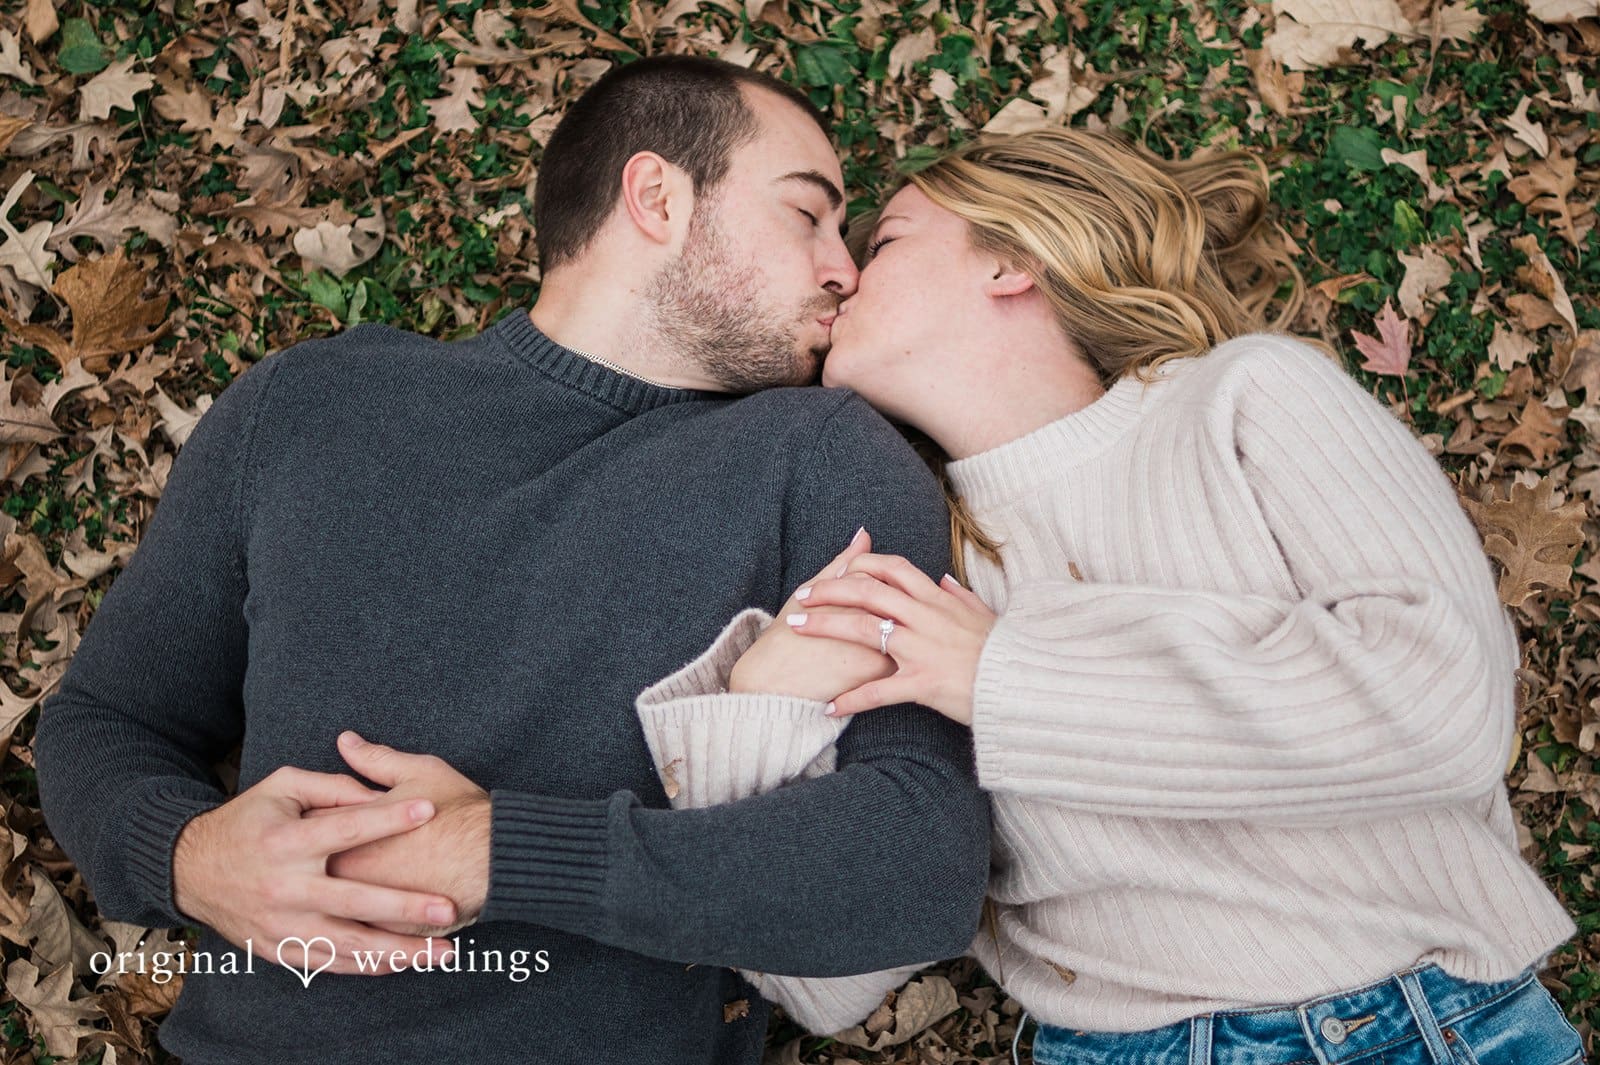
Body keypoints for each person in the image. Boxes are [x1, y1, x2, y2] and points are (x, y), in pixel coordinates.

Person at [32, 55, 991, 1064]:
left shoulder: (823, 457)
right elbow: (107, 721)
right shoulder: (315, 405)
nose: (843, 269)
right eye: (809, 215)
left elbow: (919, 863)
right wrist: (184, 857)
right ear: (657, 197)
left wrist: (504, 851)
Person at [634, 127, 1587, 1064]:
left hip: (1393, 1024)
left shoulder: (1243, 398)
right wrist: (752, 724)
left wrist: (1006, 678)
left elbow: (1440, 709)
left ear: (1010, 260)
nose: (837, 273)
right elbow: (832, 984)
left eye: (882, 241)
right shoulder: (918, 570)